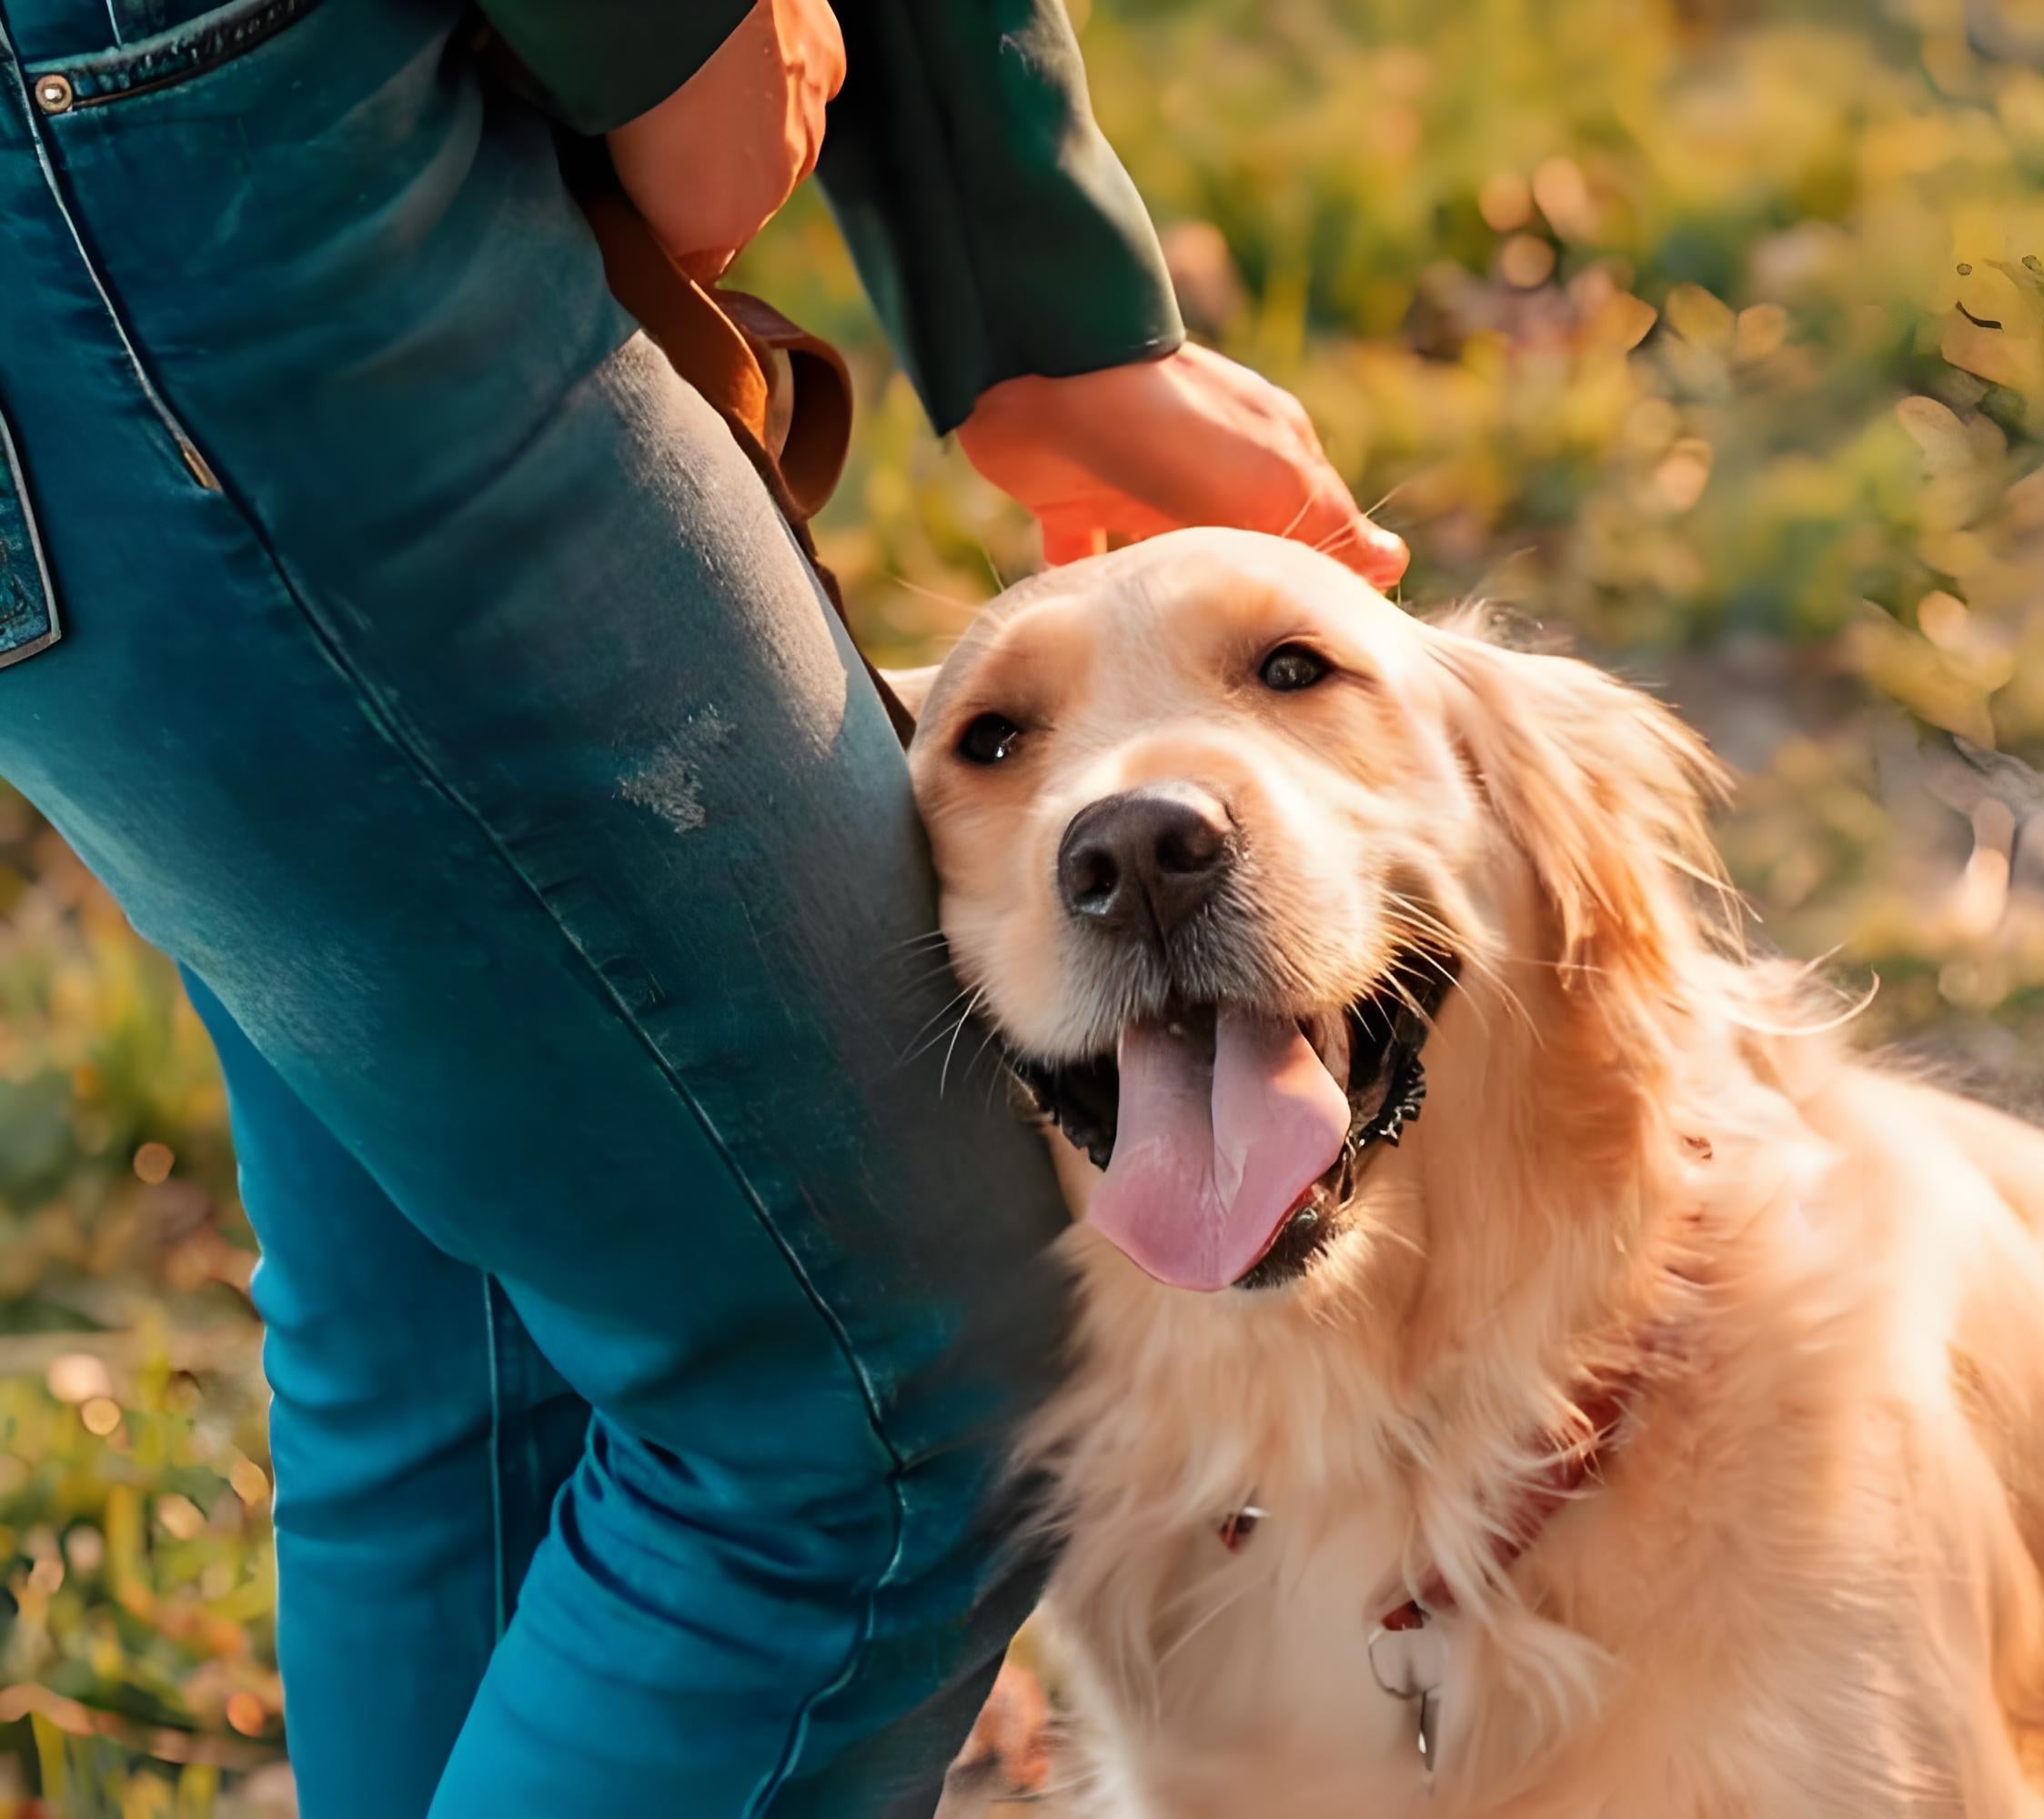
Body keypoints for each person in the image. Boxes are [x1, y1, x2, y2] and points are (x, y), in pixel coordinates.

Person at [0, 1, 1402, 1813]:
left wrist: (1021, 269)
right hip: (173, 159)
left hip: (170, 144)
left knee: (483, 1320)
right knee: (869, 1396)